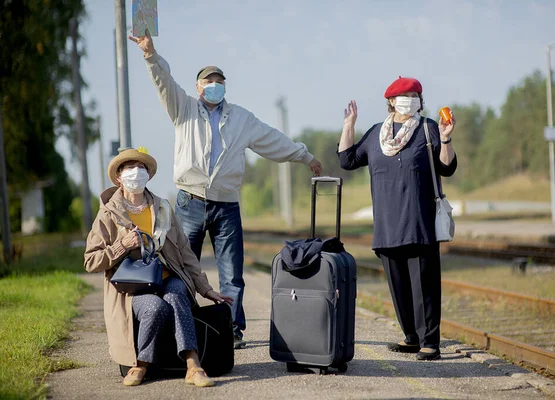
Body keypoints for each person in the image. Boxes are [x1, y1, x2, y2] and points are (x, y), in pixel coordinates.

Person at [128, 30, 323, 349]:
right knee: (180, 267)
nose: (214, 85)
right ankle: (185, 322)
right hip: (189, 202)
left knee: (231, 273)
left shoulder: (241, 118)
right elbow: (164, 82)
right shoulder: (184, 109)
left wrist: (306, 157)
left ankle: (232, 328)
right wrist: (151, 55)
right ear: (198, 87)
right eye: (208, 81)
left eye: (219, 81)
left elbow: (272, 140)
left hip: (226, 205)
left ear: (224, 87)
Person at [84, 147, 234, 387]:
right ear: (118, 177)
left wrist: (205, 289)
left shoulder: (163, 208)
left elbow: (185, 253)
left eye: (141, 167)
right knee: (154, 308)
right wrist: (121, 246)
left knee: (176, 296)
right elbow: (91, 260)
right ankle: (141, 364)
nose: (137, 172)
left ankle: (193, 365)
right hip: (133, 287)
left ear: (149, 175)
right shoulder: (108, 214)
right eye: (130, 167)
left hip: (168, 276)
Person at [338, 77, 457, 361]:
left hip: (420, 223)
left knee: (424, 287)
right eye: (405, 95)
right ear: (391, 101)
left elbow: (446, 167)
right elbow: (347, 160)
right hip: (387, 225)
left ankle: (430, 342)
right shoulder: (376, 134)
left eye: (415, 94)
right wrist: (349, 126)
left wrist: (446, 139)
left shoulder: (429, 129)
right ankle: (411, 338)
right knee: (399, 287)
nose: (411, 98)